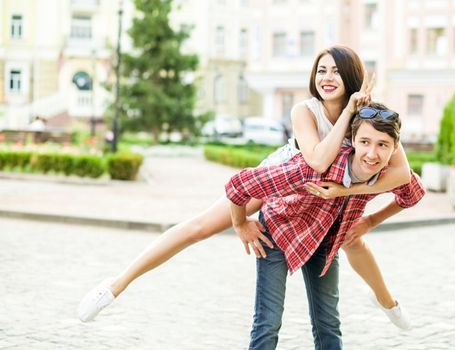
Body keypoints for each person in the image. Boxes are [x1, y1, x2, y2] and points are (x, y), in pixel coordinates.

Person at [77, 45, 411, 324]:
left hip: (329, 193)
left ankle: (389, 303)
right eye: (321, 70)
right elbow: (319, 161)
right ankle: (116, 285)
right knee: (200, 227)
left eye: (336, 71)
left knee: (354, 241)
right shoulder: (304, 111)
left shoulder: (368, 116)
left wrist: (347, 192)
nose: (327, 77)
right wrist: (241, 224)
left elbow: (403, 175)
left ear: (351, 75)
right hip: (285, 179)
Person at [226, 103, 426, 349]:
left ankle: (387, 303)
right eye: (365, 142)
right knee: (268, 322)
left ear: (394, 148)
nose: (372, 154)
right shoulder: (313, 169)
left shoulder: (386, 174)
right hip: (278, 231)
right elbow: (238, 185)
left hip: (323, 237)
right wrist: (240, 224)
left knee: (328, 322)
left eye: (382, 145)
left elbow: (413, 194)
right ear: (352, 141)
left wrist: (370, 221)